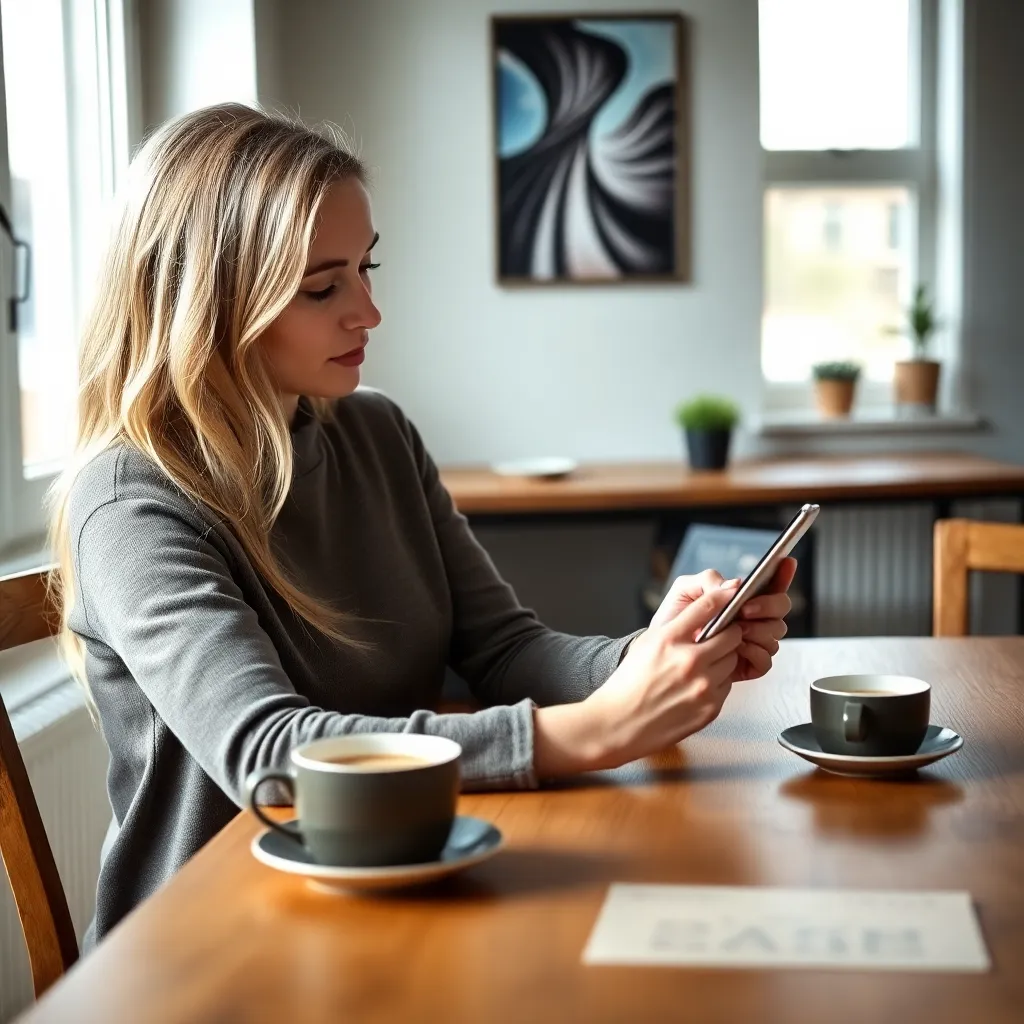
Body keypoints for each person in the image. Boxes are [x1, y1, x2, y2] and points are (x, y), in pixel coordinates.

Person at [48, 103, 794, 944]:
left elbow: (505, 648)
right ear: (210, 301)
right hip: (207, 947)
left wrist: (653, 654)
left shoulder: (378, 433)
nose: (367, 311)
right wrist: (594, 730)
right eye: (322, 286)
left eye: (367, 270)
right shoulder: (131, 501)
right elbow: (268, 755)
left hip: (392, 887)